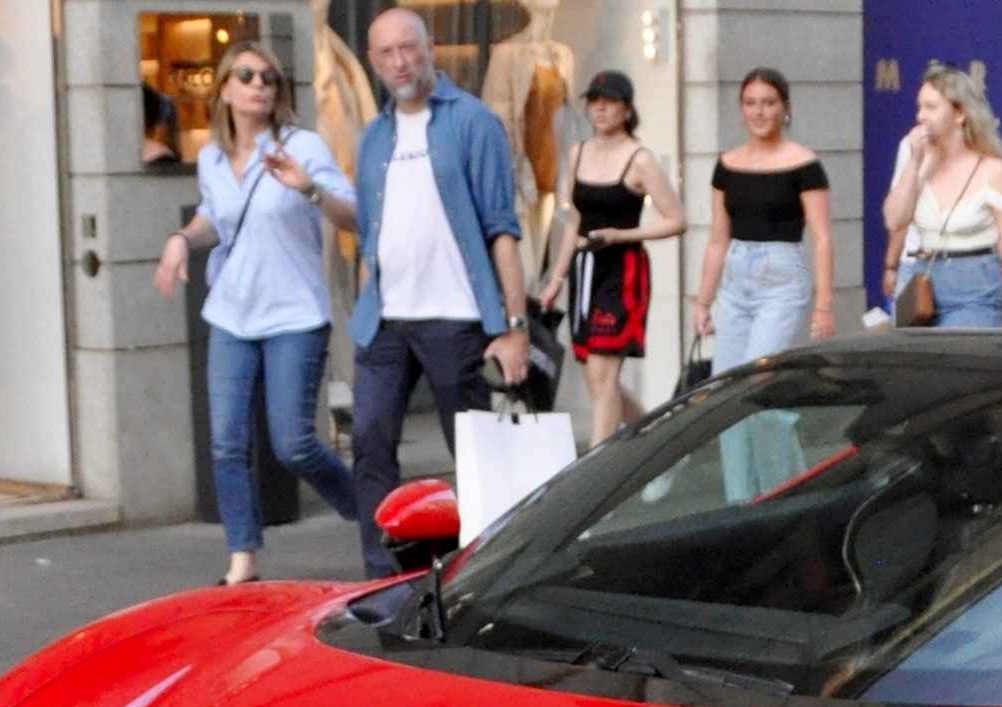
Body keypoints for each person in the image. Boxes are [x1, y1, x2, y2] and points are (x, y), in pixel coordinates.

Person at [154, 41, 358, 585]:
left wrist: (309, 188)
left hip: (294, 314)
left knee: (293, 444)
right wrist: (181, 239)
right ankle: (241, 557)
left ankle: (368, 509)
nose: (258, 84)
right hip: (231, 314)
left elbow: (353, 217)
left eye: (268, 77)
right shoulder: (213, 157)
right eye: (245, 75)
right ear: (224, 88)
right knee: (227, 441)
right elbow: (215, 217)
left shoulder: (302, 146)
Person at [346, 6, 530, 574]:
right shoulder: (373, 137)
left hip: (455, 316)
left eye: (409, 47)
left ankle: (482, 569)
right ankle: (384, 576)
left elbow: (502, 229)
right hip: (385, 321)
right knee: (371, 442)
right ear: (373, 62)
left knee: (472, 455)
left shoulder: (473, 122)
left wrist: (512, 328)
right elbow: (371, 232)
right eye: (386, 53)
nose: (400, 62)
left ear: (429, 49)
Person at [534, 70, 683, 448]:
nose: (600, 108)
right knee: (598, 380)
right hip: (585, 270)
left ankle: (594, 469)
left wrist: (621, 235)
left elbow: (676, 219)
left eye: (610, 101)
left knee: (603, 375)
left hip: (623, 270)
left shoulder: (640, 158)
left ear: (627, 109)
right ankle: (658, 441)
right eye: (594, 100)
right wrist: (556, 278)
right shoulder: (578, 152)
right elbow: (575, 222)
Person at [882, 65, 1002, 331]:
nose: (921, 115)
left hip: (975, 286)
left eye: (931, 107)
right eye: (920, 107)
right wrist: (914, 163)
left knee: (960, 366)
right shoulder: (920, 160)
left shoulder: (993, 171)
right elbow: (894, 220)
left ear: (959, 113)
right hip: (923, 277)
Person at [694, 69, 834, 372]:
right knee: (725, 381)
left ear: (785, 108)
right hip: (734, 279)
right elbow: (718, 238)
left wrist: (823, 305)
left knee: (762, 377)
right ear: (741, 110)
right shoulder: (726, 164)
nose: (758, 111)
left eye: (768, 103)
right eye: (750, 103)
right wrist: (703, 301)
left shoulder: (804, 164)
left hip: (781, 279)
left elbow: (821, 237)